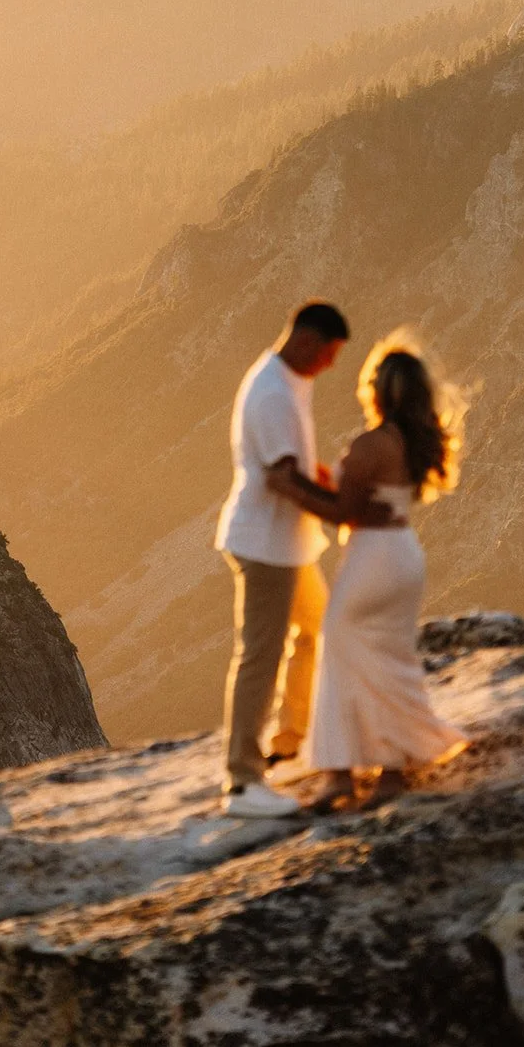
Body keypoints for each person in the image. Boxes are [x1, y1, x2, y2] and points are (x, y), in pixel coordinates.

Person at [268, 335, 469, 812]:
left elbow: (343, 512)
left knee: (338, 648)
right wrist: (324, 480)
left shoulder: (370, 443)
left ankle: (339, 775)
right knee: (387, 658)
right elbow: (369, 495)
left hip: (372, 558)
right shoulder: (410, 442)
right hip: (403, 555)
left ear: (379, 389)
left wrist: (289, 486)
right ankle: (391, 771)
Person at [215, 300, 351, 817]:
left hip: (290, 545)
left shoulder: (289, 378)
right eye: (328, 355)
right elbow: (281, 478)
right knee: (260, 656)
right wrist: (341, 510)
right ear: (306, 342)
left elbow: (294, 461)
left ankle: (291, 740)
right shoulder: (272, 393)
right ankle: (243, 782)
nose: (329, 367)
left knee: (317, 629)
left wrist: (328, 480)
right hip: (265, 546)